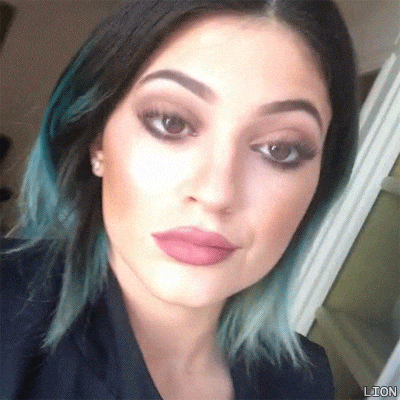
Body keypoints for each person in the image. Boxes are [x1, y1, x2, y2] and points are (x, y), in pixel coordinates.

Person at [1, 0, 358, 398]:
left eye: (280, 149)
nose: (216, 194)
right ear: (98, 140)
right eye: (171, 123)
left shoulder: (305, 382)